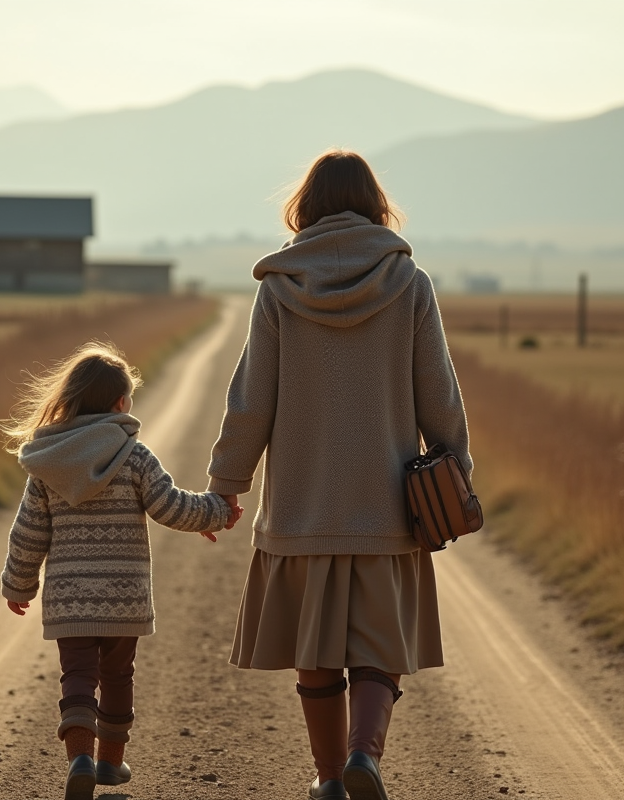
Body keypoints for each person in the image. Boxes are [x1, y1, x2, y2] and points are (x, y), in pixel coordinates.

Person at [207, 150, 472, 800]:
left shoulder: (278, 290)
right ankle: (365, 756)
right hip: (386, 506)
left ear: (307, 206)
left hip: (301, 509)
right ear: (376, 203)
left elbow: (251, 402)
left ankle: (328, 779)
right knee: (380, 647)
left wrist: (226, 484)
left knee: (316, 648)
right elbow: (438, 394)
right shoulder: (410, 285)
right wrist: (457, 471)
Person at [0, 341, 241, 800]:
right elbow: (170, 506)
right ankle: (109, 763)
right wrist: (215, 514)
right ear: (121, 403)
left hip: (70, 599)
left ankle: (80, 761)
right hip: (123, 596)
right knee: (117, 677)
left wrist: (18, 583)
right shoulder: (134, 456)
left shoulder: (47, 465)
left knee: (78, 677)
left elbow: (28, 534)